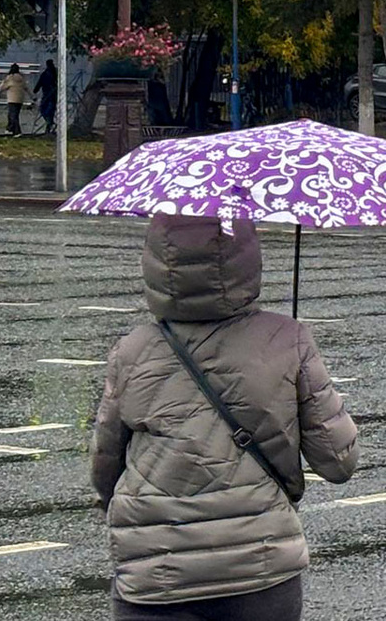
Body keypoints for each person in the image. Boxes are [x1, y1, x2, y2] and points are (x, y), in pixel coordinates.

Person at [91, 215, 359, 620]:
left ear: (158, 262)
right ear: (246, 260)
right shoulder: (288, 339)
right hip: (260, 569)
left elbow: (105, 466)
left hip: (156, 574)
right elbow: (338, 462)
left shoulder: (132, 350)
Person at [0, 63, 28, 137]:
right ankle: (9, 129)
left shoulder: (9, 78)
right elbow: (26, 88)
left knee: (13, 116)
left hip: (12, 99)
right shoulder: (21, 78)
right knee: (13, 115)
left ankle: (17, 131)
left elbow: (1, 88)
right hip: (20, 100)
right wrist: (33, 96)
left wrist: (0, 89)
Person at [33, 59, 57, 135]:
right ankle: (49, 126)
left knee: (43, 109)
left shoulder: (46, 73)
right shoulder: (55, 72)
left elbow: (40, 83)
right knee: (50, 111)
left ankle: (49, 124)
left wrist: (35, 90)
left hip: (47, 94)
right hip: (53, 95)